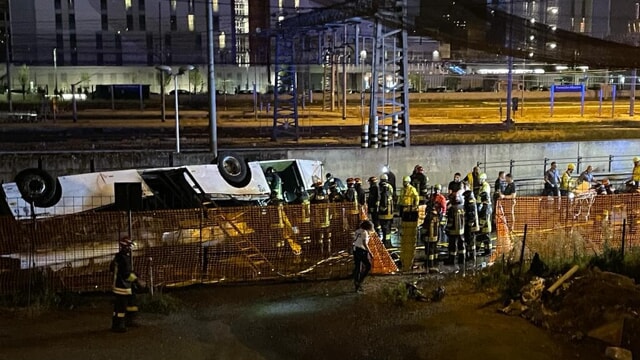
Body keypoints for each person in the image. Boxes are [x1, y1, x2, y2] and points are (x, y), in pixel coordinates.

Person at [110, 236, 142, 333]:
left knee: (130, 303)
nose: (130, 248)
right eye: (129, 246)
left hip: (123, 286)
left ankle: (129, 321)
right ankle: (118, 326)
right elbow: (126, 274)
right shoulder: (122, 258)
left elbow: (114, 269)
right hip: (122, 287)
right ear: (126, 247)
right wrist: (137, 280)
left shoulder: (119, 257)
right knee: (120, 308)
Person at [421, 184, 447, 273]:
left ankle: (430, 263)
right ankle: (434, 261)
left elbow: (443, 209)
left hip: (433, 228)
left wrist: (423, 234)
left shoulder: (441, 198)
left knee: (431, 247)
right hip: (436, 224)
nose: (436, 191)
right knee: (435, 245)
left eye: (437, 190)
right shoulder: (432, 197)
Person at [398, 176, 420, 272]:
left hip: (410, 209)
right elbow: (401, 198)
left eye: (406, 182)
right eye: (404, 182)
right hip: (404, 208)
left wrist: (415, 206)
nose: (404, 183)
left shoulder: (412, 189)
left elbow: (416, 197)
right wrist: (399, 205)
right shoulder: (403, 190)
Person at [352, 220, 374, 293]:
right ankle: (360, 281)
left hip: (355, 250)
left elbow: (354, 240)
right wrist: (370, 253)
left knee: (358, 267)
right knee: (368, 266)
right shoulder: (364, 232)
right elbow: (365, 244)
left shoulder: (357, 231)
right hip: (361, 250)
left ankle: (356, 284)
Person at [378, 173, 395, 247]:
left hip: (384, 210)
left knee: (384, 226)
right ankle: (387, 241)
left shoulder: (382, 187)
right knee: (388, 226)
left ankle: (386, 241)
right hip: (389, 210)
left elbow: (383, 197)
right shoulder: (390, 186)